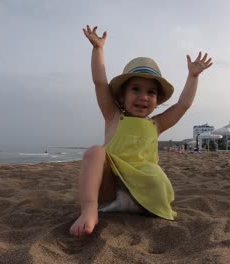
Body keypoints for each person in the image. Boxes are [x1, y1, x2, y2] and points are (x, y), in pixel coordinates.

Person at [70, 25, 212, 236]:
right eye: (135, 89)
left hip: (142, 194)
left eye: (151, 92)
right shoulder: (113, 116)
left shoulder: (157, 124)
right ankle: (89, 210)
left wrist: (193, 77)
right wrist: (98, 49)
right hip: (112, 190)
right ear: (121, 96)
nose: (143, 97)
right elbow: (100, 83)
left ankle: (137, 205)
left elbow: (183, 105)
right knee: (95, 152)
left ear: (157, 100)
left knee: (156, 175)